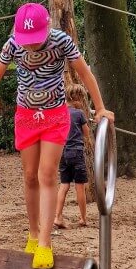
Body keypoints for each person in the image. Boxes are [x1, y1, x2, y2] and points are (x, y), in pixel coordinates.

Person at [0, 3, 114, 269]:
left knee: (47, 174)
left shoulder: (61, 41)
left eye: (36, 40)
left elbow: (84, 72)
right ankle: (33, 233)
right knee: (30, 175)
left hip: (55, 114)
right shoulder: (13, 44)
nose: (31, 46)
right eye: (27, 41)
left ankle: (45, 242)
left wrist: (100, 107)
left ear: (47, 29)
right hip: (26, 115)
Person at [54, 85, 91, 229]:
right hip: (76, 151)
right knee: (80, 186)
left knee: (64, 185)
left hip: (63, 152)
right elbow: (86, 133)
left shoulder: (60, 112)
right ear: (78, 98)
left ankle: (57, 216)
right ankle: (83, 218)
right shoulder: (79, 113)